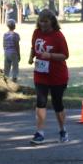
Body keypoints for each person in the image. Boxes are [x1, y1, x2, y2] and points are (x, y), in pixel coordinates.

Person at [27, 9, 70, 144]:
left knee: (57, 103)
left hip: (57, 75)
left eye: (46, 21)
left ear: (52, 21)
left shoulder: (58, 36)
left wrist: (50, 55)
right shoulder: (36, 33)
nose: (43, 24)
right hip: (40, 74)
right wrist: (31, 57)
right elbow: (33, 47)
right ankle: (40, 133)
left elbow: (65, 55)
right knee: (41, 101)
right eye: (41, 21)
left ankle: (63, 130)